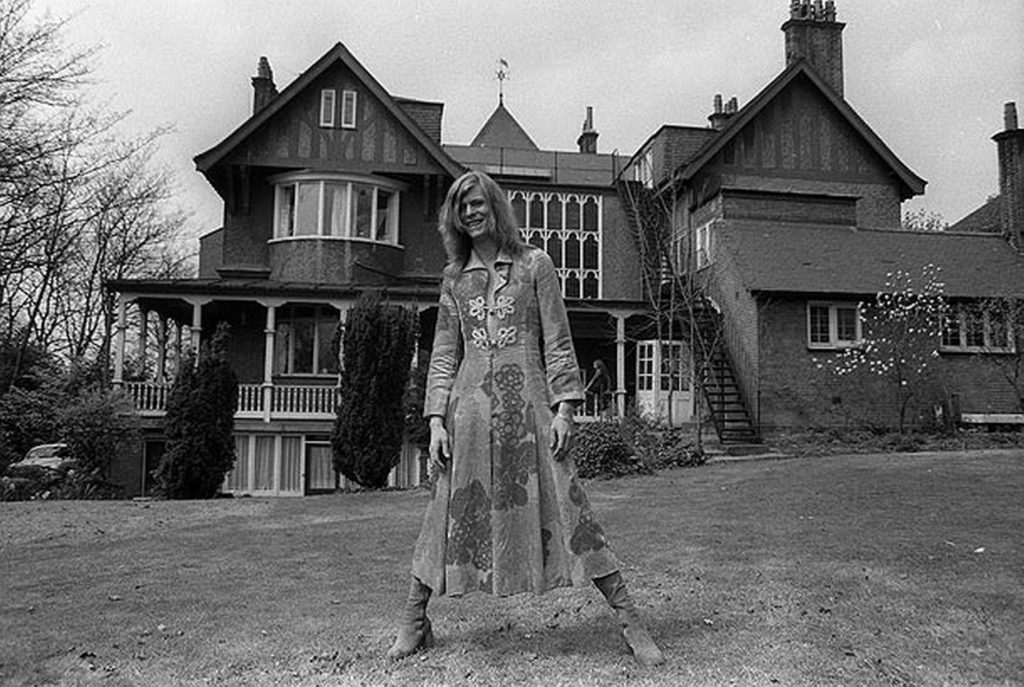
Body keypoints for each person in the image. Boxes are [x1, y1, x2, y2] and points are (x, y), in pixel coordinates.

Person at [386, 171, 665, 667]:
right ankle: (414, 620)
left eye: (476, 202)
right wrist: (435, 420)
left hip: (532, 405)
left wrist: (565, 408)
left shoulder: (535, 265)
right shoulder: (454, 278)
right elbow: (444, 353)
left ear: (494, 205)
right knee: (443, 508)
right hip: (468, 411)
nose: (470, 212)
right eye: (461, 207)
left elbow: (558, 340)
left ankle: (629, 620)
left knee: (569, 503)